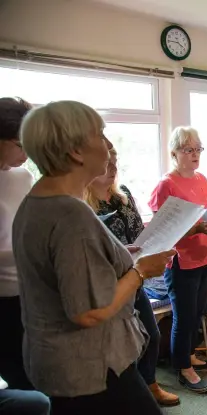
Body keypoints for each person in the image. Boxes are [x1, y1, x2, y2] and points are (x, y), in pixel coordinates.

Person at [12, 100, 175, 414]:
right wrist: (141, 271)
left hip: (57, 361)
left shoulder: (36, 201)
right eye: (101, 135)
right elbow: (89, 312)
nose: (109, 144)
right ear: (76, 151)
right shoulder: (70, 214)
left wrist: (116, 256)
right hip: (89, 368)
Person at [84, 147, 180, 407]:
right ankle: (131, 391)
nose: (113, 168)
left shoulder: (123, 194)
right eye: (108, 163)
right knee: (121, 344)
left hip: (136, 274)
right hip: (110, 282)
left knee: (151, 334)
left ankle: (150, 385)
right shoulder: (82, 206)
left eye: (116, 162)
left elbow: (139, 231)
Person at [148, 126, 207, 394]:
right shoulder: (166, 184)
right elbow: (163, 229)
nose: (194, 154)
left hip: (204, 255)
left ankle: (188, 354)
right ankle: (182, 367)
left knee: (199, 311)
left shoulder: (201, 178)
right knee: (184, 316)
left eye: (198, 148)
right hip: (181, 261)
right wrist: (196, 230)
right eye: (188, 149)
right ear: (174, 153)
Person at [0, 97, 50, 415]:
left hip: (32, 291)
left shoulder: (23, 177)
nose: (27, 153)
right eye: (20, 144)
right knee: (19, 378)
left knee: (41, 372)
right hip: (2, 300)